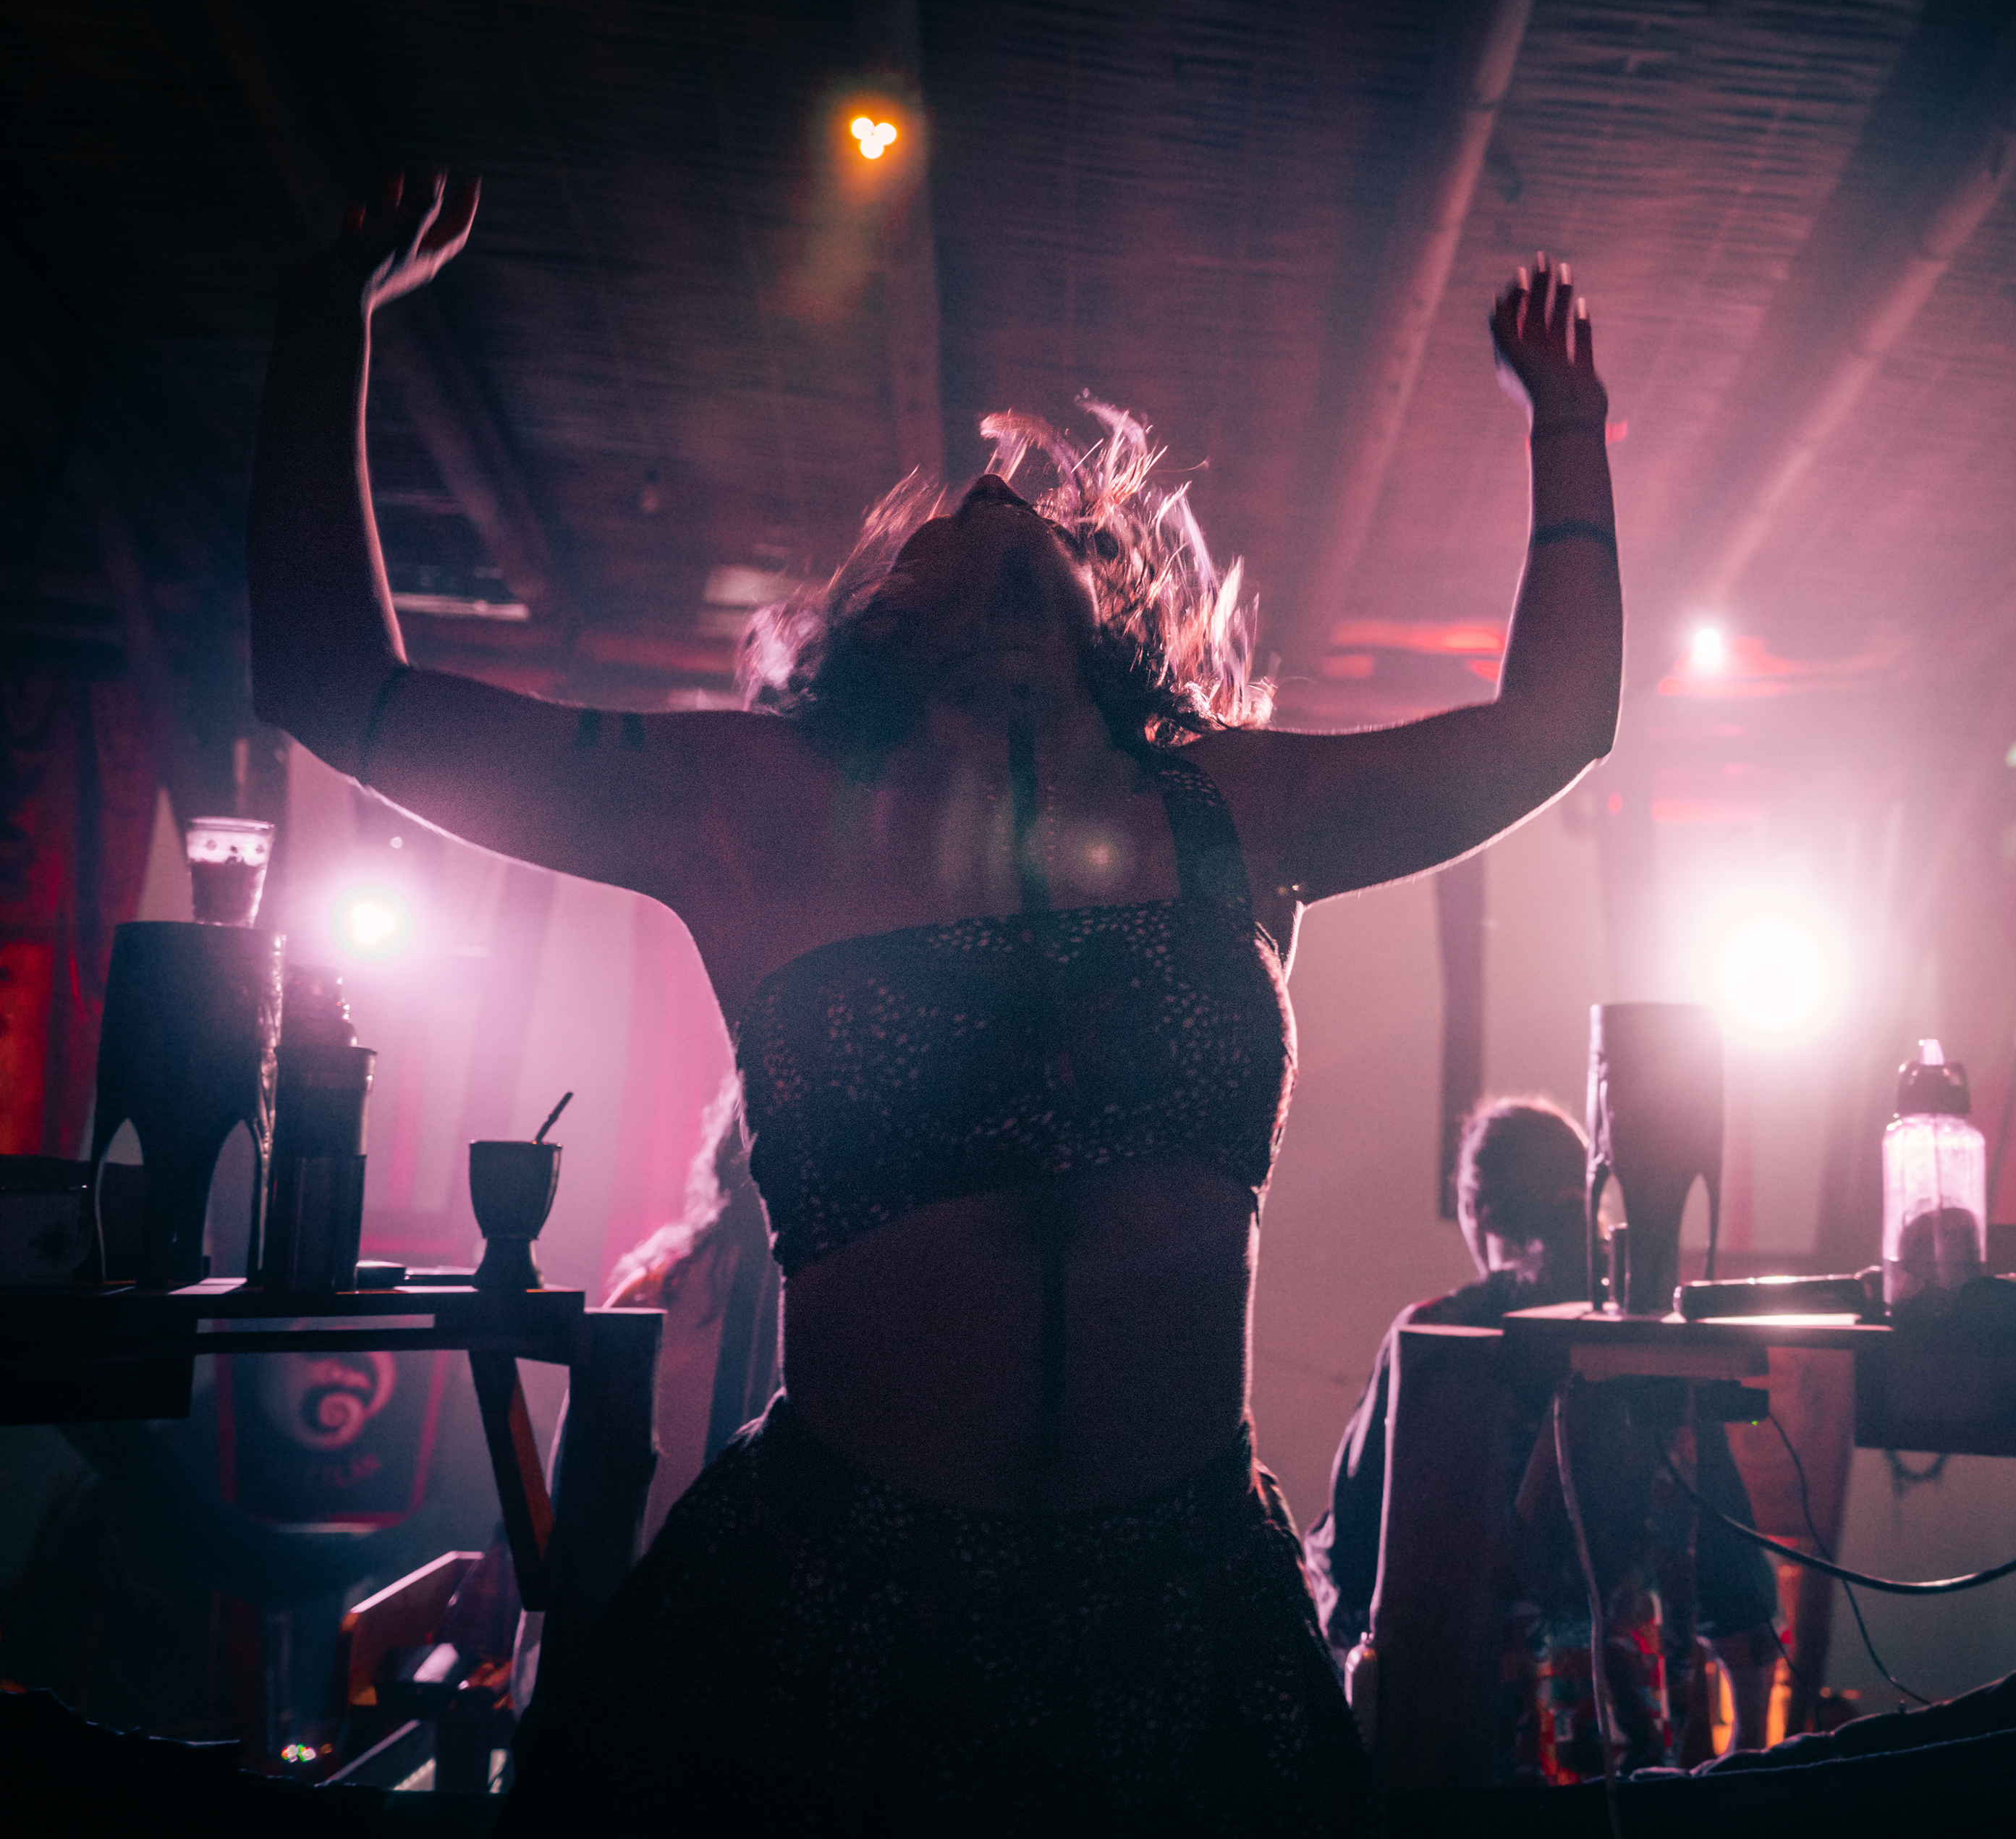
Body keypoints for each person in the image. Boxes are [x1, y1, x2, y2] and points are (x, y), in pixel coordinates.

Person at [247, 173, 1622, 1831]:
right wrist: (326, 330)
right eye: (942, 524)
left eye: (1035, 511)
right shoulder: (749, 804)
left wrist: (1567, 427)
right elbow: (336, 682)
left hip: (1180, 1610)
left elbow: (1554, 726)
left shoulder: (1235, 807)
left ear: (1105, 600)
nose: (992, 490)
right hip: (835, 1605)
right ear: (875, 614)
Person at [1304, 1098, 1784, 1780]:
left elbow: (1350, 1555)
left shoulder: (1434, 1339)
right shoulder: (1650, 1339)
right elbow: (1737, 1585)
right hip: (1638, 1773)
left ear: (1477, 1209)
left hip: (1452, 1767)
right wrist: (1745, 1758)